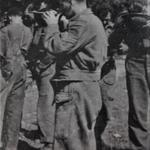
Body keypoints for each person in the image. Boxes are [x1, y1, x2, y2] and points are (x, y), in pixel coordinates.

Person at [41, 0, 107, 149]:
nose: (59, 9)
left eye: (60, 4)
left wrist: (51, 26)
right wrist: (64, 29)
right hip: (85, 85)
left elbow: (56, 46)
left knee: (68, 140)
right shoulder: (90, 20)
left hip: (76, 87)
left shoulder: (82, 22)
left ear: (70, 2)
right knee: (82, 139)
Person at [109, 0, 150, 149]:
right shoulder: (127, 16)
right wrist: (120, 25)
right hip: (136, 61)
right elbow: (113, 42)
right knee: (138, 110)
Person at [0, 7, 32, 150]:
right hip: (22, 68)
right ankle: (11, 145)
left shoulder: (5, 30)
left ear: (12, 16)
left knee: (1, 106)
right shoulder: (28, 31)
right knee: (15, 109)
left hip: (8, 68)